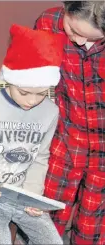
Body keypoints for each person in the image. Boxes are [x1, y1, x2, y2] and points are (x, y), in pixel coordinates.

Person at [0, 24, 64, 245]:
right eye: (24, 92)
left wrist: (34, 195)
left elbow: (40, 157)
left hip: (23, 195)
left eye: (40, 94)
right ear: (9, 80)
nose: (31, 101)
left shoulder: (51, 111)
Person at [34, 2, 105, 244]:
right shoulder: (48, 23)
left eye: (90, 38)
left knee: (91, 228)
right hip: (65, 137)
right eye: (72, 30)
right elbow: (32, 75)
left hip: (103, 154)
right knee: (43, 217)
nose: (78, 42)